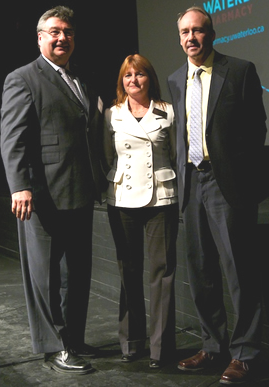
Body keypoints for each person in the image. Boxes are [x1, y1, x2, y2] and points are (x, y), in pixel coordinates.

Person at [0, 5, 105, 375]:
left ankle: (72, 339)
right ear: (41, 37)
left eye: (69, 32)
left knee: (77, 274)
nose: (63, 37)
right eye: (55, 31)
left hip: (80, 192)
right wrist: (20, 186)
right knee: (45, 277)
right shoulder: (23, 78)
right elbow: (12, 138)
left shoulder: (80, 79)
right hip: (41, 197)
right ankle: (53, 347)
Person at [168, 6, 267, 385]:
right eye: (184, 32)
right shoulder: (176, 78)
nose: (190, 38)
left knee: (239, 272)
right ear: (179, 38)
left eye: (197, 30)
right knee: (201, 272)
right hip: (191, 184)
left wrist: (244, 179)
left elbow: (256, 128)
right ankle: (212, 346)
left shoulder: (239, 70)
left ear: (212, 34)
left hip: (227, 186)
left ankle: (245, 353)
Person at [103, 54, 179, 369]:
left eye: (140, 75)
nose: (133, 80)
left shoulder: (168, 112)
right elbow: (108, 156)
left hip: (161, 198)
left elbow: (175, 153)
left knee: (162, 275)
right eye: (128, 76)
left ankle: (161, 349)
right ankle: (132, 342)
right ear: (122, 81)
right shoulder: (111, 114)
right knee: (128, 271)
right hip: (122, 198)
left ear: (150, 78)